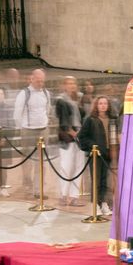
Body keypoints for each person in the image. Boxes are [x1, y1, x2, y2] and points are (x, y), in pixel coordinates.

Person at [12, 68, 51, 196]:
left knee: (42, 161)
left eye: (42, 81)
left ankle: (38, 189)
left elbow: (47, 109)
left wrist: (45, 123)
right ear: (32, 79)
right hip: (28, 131)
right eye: (38, 81)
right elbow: (17, 114)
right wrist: (20, 128)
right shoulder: (24, 93)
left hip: (43, 130)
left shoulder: (46, 93)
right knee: (27, 160)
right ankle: (27, 185)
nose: (40, 83)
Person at [78, 95, 117, 216]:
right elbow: (82, 136)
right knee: (96, 180)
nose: (103, 105)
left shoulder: (112, 119)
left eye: (105, 103)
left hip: (107, 154)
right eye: (100, 103)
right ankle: (95, 204)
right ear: (96, 105)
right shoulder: (91, 119)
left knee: (105, 181)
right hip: (95, 155)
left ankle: (104, 203)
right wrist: (93, 146)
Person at [55, 76, 85, 206]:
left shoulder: (78, 99)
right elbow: (64, 122)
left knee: (79, 167)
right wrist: (74, 134)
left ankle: (74, 196)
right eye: (69, 83)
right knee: (66, 166)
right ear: (64, 85)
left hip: (80, 135)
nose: (72, 85)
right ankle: (63, 195)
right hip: (68, 138)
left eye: (74, 83)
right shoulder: (61, 100)